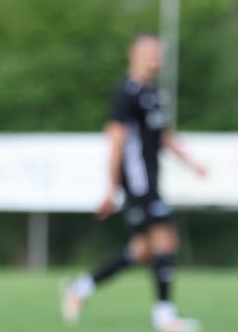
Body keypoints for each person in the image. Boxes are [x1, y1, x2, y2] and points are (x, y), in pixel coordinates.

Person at [61, 34, 208, 332]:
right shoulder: (125, 94)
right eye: (149, 52)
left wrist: (191, 163)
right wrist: (112, 187)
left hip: (150, 181)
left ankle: (80, 287)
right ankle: (165, 318)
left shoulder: (154, 93)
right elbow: (116, 140)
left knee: (142, 249)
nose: (155, 58)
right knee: (166, 239)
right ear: (133, 54)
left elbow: (163, 136)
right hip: (138, 184)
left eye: (158, 53)